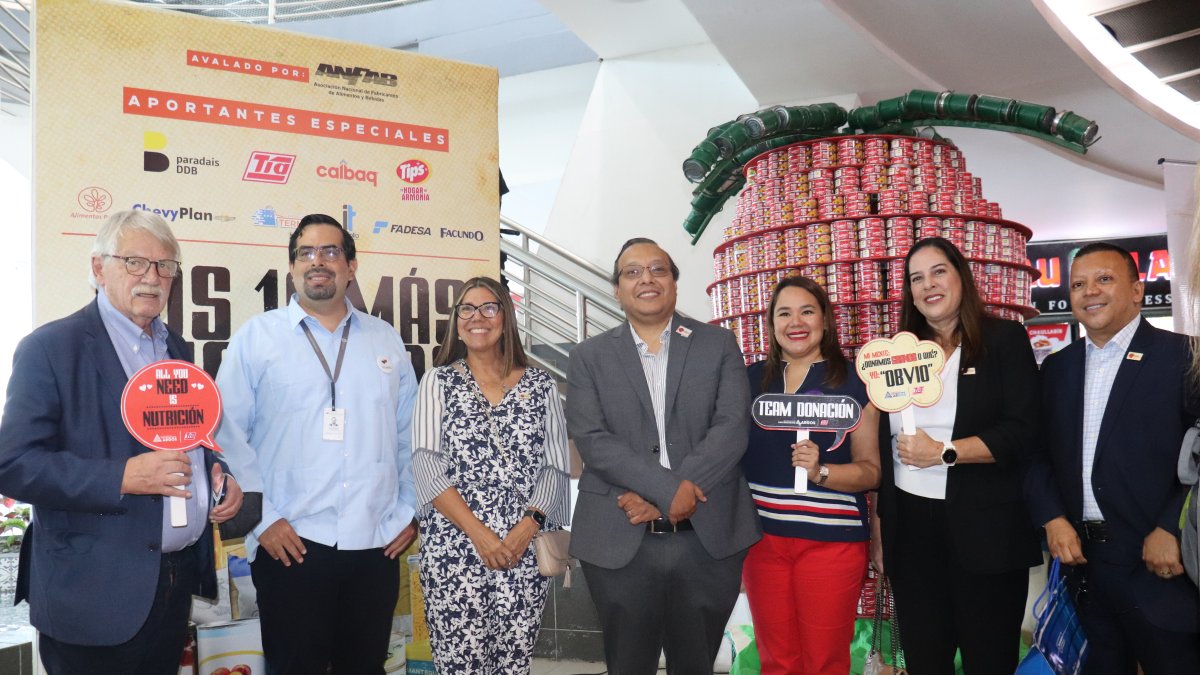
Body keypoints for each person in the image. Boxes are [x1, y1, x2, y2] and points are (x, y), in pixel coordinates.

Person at [0, 210, 243, 674]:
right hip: (92, 596)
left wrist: (216, 473)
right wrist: (122, 477)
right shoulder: (50, 348)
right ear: (98, 268)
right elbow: (14, 464)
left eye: (164, 265)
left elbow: (190, 437)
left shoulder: (176, 347)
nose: (152, 278)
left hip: (169, 587)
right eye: (135, 262)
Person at [215, 213, 419, 674]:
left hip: (375, 543)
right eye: (306, 252)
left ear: (351, 266)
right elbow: (226, 435)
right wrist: (260, 520)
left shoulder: (384, 340)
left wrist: (409, 511)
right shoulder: (257, 338)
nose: (318, 261)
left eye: (330, 251)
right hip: (290, 544)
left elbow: (410, 436)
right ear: (291, 268)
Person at [566, 237, 760, 674]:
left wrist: (663, 498)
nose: (646, 279)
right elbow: (592, 439)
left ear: (674, 282)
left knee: (695, 664)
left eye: (658, 269)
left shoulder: (718, 344)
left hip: (706, 540)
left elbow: (731, 428)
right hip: (619, 541)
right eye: (632, 272)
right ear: (617, 289)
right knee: (627, 665)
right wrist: (669, 489)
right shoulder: (588, 357)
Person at [1026, 242, 1199, 673]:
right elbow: (1036, 455)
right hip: (1082, 565)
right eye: (1079, 284)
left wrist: (1169, 527)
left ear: (1137, 291)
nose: (1090, 293)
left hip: (1159, 562)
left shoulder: (1184, 356)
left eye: (1104, 279)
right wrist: (1052, 517)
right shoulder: (1057, 368)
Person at [873, 236, 1041, 674]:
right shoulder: (897, 354)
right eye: (916, 278)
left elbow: (1022, 431)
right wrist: (879, 528)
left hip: (987, 529)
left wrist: (945, 452)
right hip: (910, 530)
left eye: (938, 271)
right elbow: (882, 451)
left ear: (961, 277)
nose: (928, 284)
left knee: (990, 657)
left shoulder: (1003, 339)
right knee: (926, 658)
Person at [411, 276, 570, 673]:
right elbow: (426, 465)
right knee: (460, 665)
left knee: (513, 665)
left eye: (488, 308)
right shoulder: (439, 381)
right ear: (456, 320)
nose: (476, 317)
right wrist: (480, 534)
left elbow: (555, 465)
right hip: (454, 549)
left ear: (505, 317)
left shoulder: (540, 385)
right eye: (467, 308)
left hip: (524, 549)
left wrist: (526, 527)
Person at [742, 276, 881, 674]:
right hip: (762, 544)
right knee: (776, 659)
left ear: (825, 320)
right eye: (784, 313)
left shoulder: (857, 382)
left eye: (807, 311)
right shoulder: (750, 381)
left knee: (825, 660)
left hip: (832, 545)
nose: (795, 322)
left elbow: (871, 472)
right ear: (771, 324)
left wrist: (822, 471)